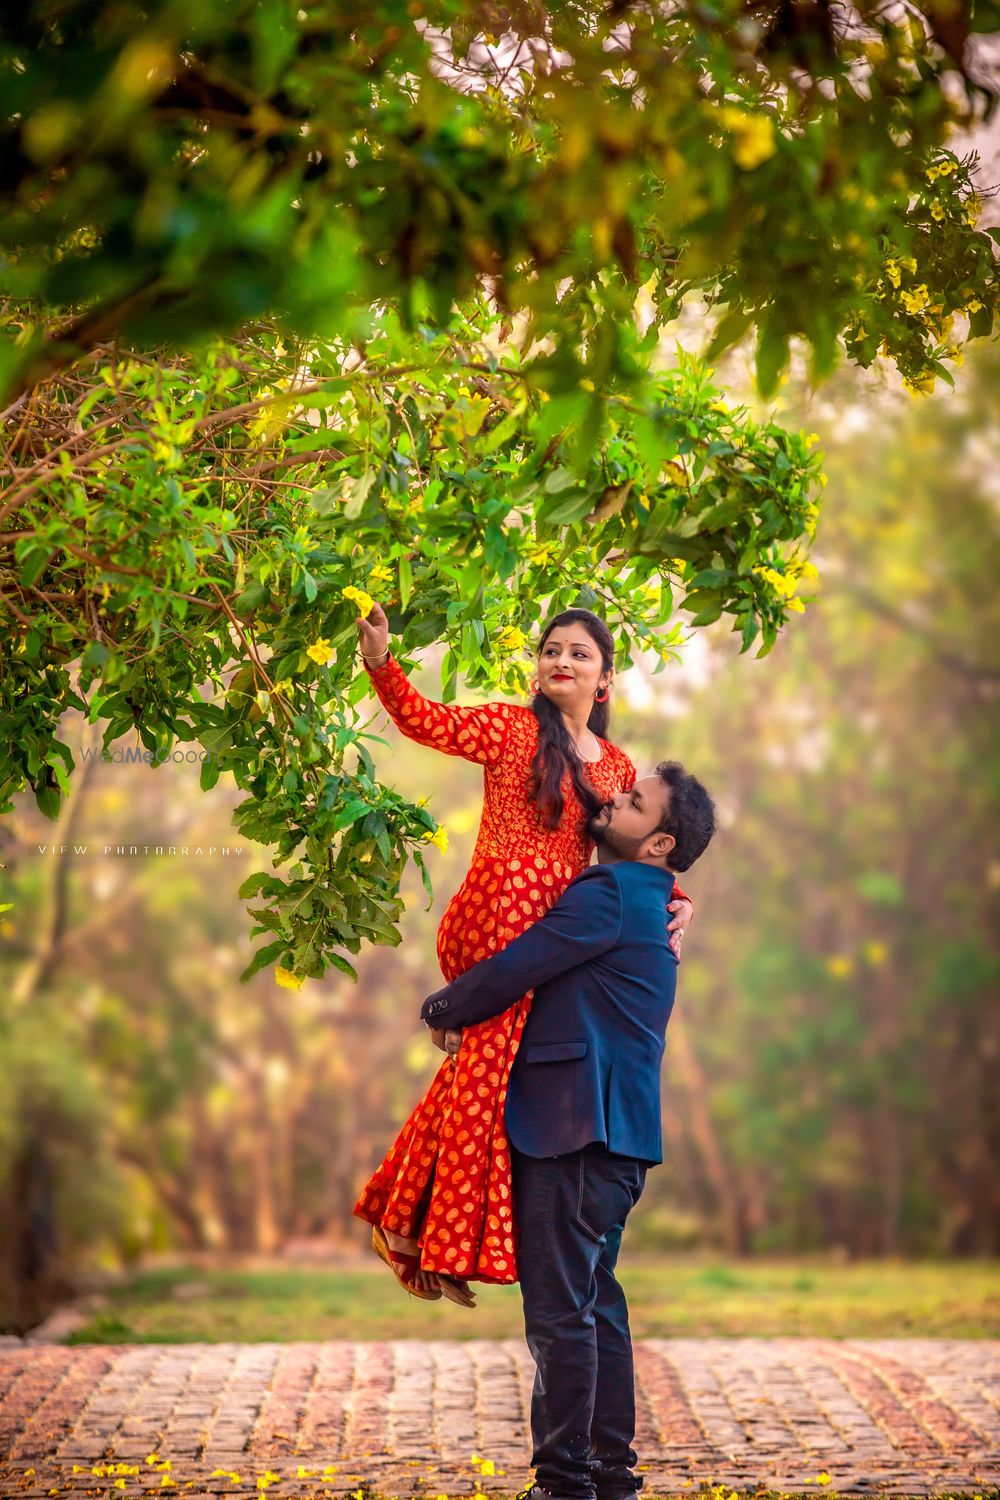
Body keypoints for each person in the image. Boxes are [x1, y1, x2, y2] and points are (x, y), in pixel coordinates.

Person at [351, 603, 695, 1304]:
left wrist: (675, 894)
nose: (560, 662)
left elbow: (635, 848)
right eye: (550, 651)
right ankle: (436, 1243)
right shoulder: (512, 730)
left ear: (605, 679)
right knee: (486, 1071)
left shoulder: (618, 765)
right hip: (501, 912)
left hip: (556, 930)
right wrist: (382, 660)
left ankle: (412, 1224)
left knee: (486, 1069)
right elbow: (427, 721)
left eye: (578, 654)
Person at [419, 762, 717, 1500]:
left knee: (560, 1314)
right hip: (615, 1140)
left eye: (635, 801)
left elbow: (520, 964)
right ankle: (610, 1475)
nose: (616, 799)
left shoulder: (611, 893)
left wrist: (443, 1007)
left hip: (573, 1131)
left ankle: (564, 1483)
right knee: (595, 1306)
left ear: (658, 843)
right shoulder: (649, 899)